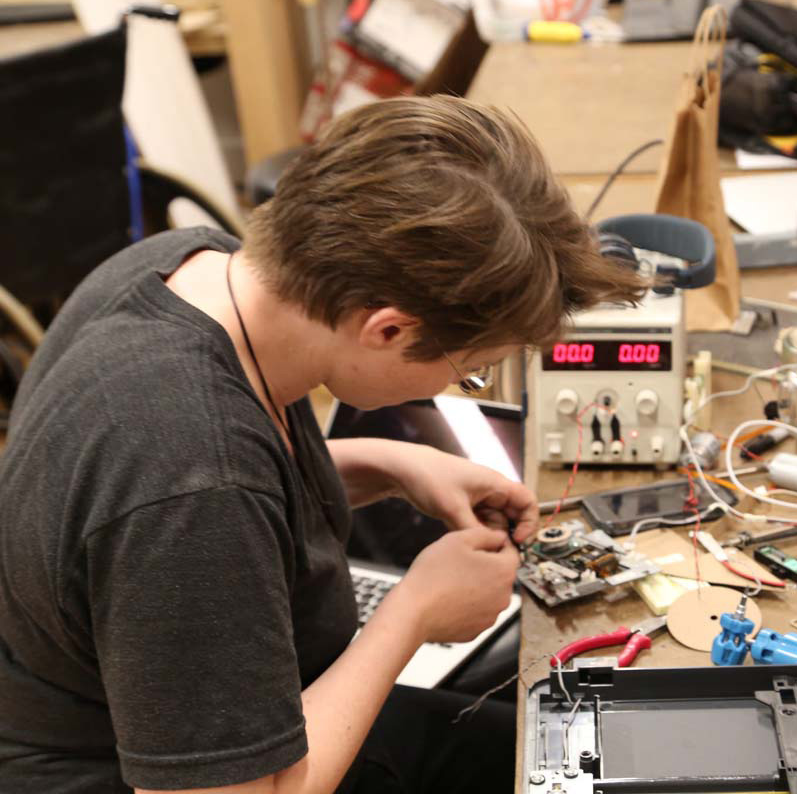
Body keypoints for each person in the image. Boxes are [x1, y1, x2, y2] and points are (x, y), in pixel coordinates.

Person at [0, 95, 644, 794]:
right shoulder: (193, 478)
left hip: (214, 710)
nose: (463, 384)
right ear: (388, 329)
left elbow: (180, 511)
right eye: (470, 371)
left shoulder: (189, 267)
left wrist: (391, 464)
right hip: (150, 774)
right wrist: (412, 615)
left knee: (563, 743)